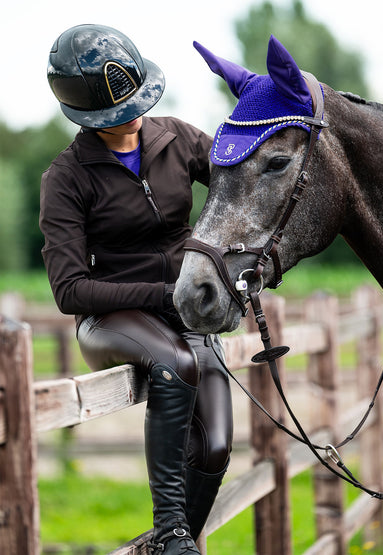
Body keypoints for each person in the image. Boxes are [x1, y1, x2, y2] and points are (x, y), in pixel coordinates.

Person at [40, 24, 233, 555]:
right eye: (116, 116)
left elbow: (239, 192)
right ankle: (171, 532)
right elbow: (70, 291)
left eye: (136, 104)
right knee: (176, 363)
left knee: (215, 448)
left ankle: (173, 546)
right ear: (85, 117)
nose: (133, 120)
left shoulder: (178, 137)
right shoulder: (66, 178)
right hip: (111, 314)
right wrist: (161, 294)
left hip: (182, 310)